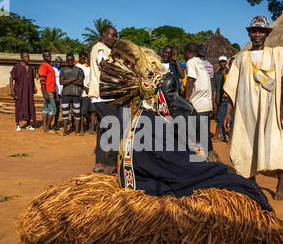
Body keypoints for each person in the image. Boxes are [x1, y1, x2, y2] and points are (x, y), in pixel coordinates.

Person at [99, 39, 271, 211]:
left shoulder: (143, 116)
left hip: (154, 182)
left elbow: (173, 160)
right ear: (156, 94)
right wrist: (221, 169)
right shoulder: (151, 125)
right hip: (153, 192)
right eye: (171, 93)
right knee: (244, 187)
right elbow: (184, 172)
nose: (176, 100)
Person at [224, 16, 283, 201]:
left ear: (267, 34)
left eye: (261, 31)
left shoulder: (276, 54)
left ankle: (280, 185)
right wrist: (228, 113)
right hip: (247, 112)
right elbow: (232, 88)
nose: (257, 34)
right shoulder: (241, 59)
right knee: (246, 147)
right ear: (249, 33)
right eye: (254, 31)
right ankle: (252, 184)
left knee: (276, 146)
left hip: (271, 111)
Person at [88, 25, 119, 175]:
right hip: (105, 97)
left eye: (116, 37)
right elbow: (103, 65)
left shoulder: (102, 48)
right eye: (112, 36)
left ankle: (99, 163)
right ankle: (112, 164)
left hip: (100, 97)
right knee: (115, 128)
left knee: (103, 130)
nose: (114, 39)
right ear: (104, 34)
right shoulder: (100, 47)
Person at [183, 43, 214, 154]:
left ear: (187, 52)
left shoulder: (191, 62)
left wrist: (185, 101)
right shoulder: (201, 62)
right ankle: (211, 160)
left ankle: (199, 164)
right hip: (206, 105)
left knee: (196, 139)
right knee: (205, 137)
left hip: (197, 105)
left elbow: (190, 80)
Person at [10, 51, 37, 131]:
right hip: (20, 91)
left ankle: (28, 124)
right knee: (19, 107)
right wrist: (12, 90)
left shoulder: (31, 68)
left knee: (29, 106)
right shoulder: (17, 67)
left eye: (28, 56)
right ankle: (18, 125)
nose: (27, 58)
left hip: (29, 91)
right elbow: (11, 78)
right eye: (25, 57)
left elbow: (32, 79)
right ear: (21, 58)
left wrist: (34, 87)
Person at [59, 53, 84, 136]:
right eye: (68, 60)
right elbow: (61, 82)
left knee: (77, 113)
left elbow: (80, 82)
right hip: (65, 94)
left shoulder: (79, 70)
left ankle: (76, 131)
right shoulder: (63, 70)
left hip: (76, 94)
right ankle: (65, 130)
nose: (70, 62)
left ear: (74, 60)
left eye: (71, 60)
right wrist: (73, 79)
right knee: (65, 113)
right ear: (66, 60)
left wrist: (67, 81)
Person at [212, 55, 231, 142]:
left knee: (227, 116)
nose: (222, 63)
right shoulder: (216, 74)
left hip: (229, 98)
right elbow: (215, 88)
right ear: (219, 63)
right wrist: (214, 101)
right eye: (221, 62)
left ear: (226, 63)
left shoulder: (230, 72)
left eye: (224, 62)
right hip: (220, 98)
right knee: (220, 116)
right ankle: (221, 135)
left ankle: (224, 135)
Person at [39, 50, 57, 133]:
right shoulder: (44, 66)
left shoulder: (49, 66)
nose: (48, 57)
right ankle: (47, 127)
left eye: (49, 56)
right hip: (48, 91)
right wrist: (45, 93)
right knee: (53, 110)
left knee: (46, 109)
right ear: (43, 57)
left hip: (50, 91)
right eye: (46, 56)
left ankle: (45, 127)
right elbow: (42, 80)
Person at [75, 51, 93, 134]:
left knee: (92, 110)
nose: (84, 59)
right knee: (81, 111)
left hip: (91, 93)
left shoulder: (89, 67)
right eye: (82, 57)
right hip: (81, 92)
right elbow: (77, 80)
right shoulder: (76, 66)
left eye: (85, 57)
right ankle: (79, 128)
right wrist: (84, 88)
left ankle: (91, 128)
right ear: (79, 57)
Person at [53, 56, 63, 131]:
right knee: (52, 109)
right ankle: (49, 124)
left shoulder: (63, 70)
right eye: (57, 62)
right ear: (55, 62)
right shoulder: (52, 69)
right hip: (54, 92)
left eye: (60, 62)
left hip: (61, 93)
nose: (58, 63)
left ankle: (55, 123)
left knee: (58, 109)